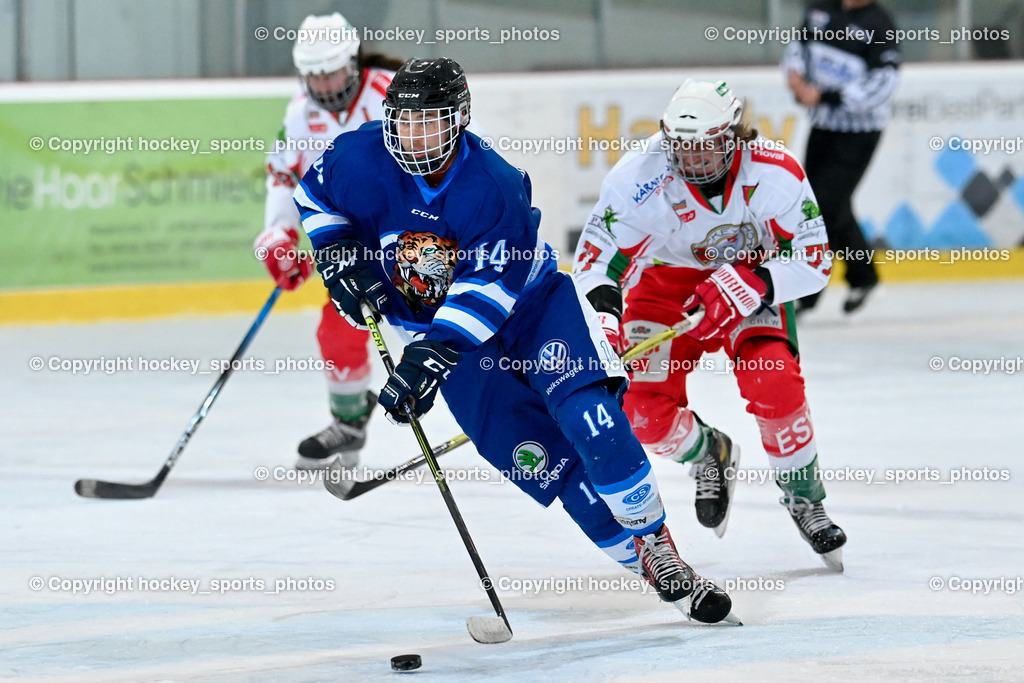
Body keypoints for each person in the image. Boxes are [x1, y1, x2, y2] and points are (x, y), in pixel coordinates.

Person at [295, 57, 733, 623]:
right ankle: (645, 563)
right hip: (449, 342)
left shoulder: (493, 185)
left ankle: (658, 542)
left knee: (587, 416)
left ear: (459, 120)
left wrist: (430, 356)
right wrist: (339, 257)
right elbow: (315, 198)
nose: (414, 135)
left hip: (532, 310)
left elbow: (487, 290)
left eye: (429, 122)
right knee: (541, 461)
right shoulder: (358, 156)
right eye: (404, 121)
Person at [572, 79, 847, 570]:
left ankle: (805, 498)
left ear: (734, 133)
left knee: (774, 380)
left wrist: (753, 282)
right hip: (664, 287)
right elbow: (596, 264)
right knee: (640, 411)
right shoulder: (637, 178)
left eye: (707, 145)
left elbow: (815, 261)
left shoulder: (775, 171)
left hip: (747, 273)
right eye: (681, 146)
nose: (693, 158)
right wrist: (605, 324)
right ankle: (708, 455)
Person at [254, 12, 403, 469]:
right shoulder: (300, 113)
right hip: (348, 246)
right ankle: (350, 422)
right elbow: (284, 174)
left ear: (353, 61)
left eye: (330, 71)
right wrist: (278, 236)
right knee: (337, 328)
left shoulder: (393, 93)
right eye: (312, 74)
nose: (321, 83)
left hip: (415, 237)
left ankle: (517, 403)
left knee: (449, 329)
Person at [781, 0, 901, 315]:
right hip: (822, 126)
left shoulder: (880, 25)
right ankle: (864, 276)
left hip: (859, 133)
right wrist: (796, 78)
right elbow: (798, 48)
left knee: (824, 206)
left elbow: (884, 84)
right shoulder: (821, 8)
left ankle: (807, 292)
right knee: (823, 205)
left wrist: (827, 96)